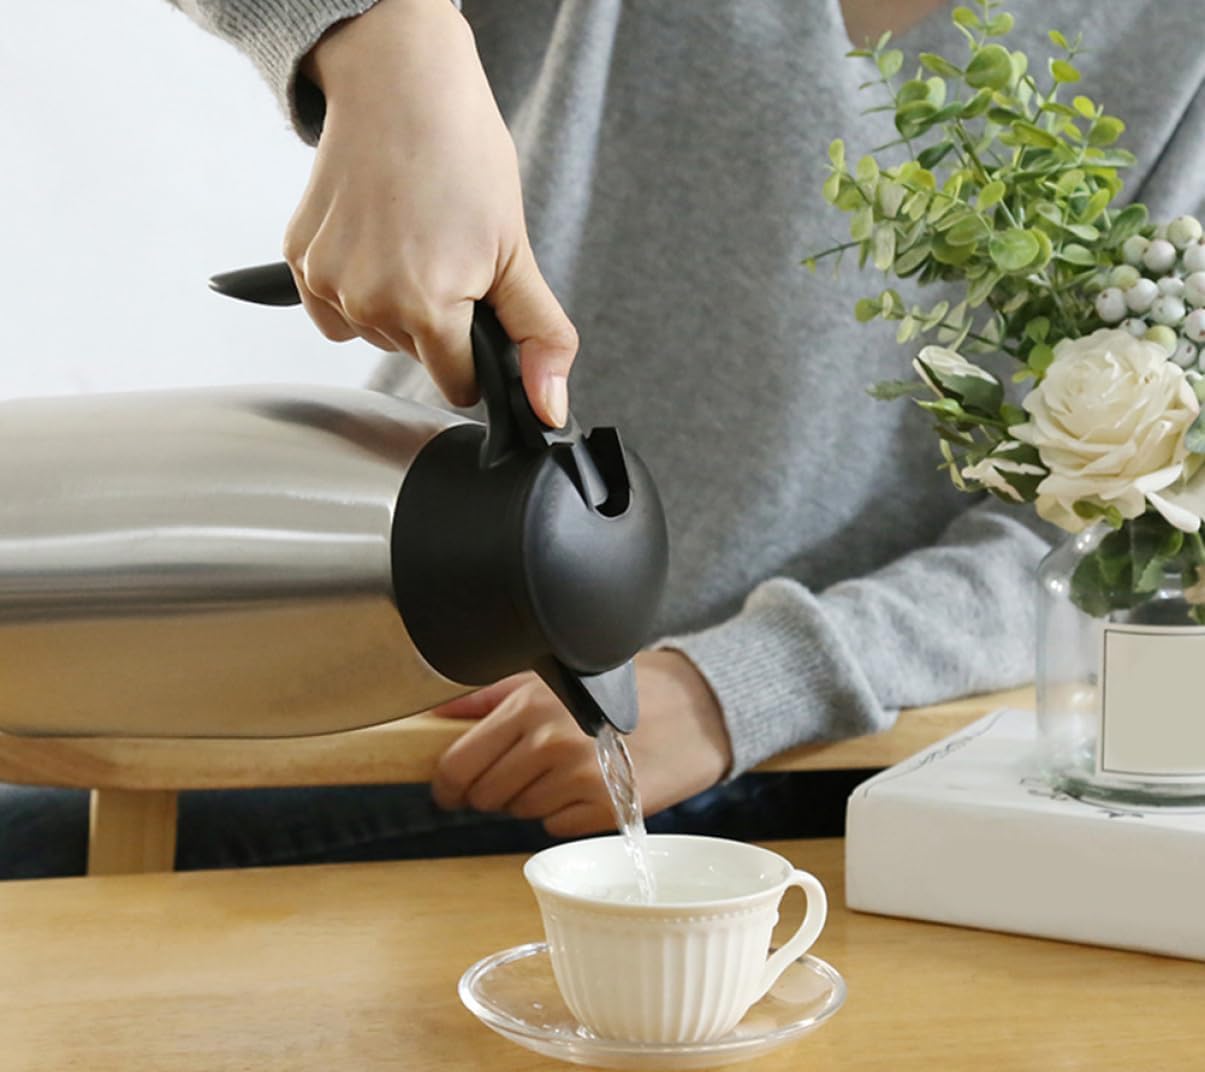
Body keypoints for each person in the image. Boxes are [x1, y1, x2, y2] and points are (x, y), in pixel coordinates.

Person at [2, 0, 1201, 876]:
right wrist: (386, 42)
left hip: (791, 762)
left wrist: (748, 683)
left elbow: (1114, 527)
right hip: (382, 621)